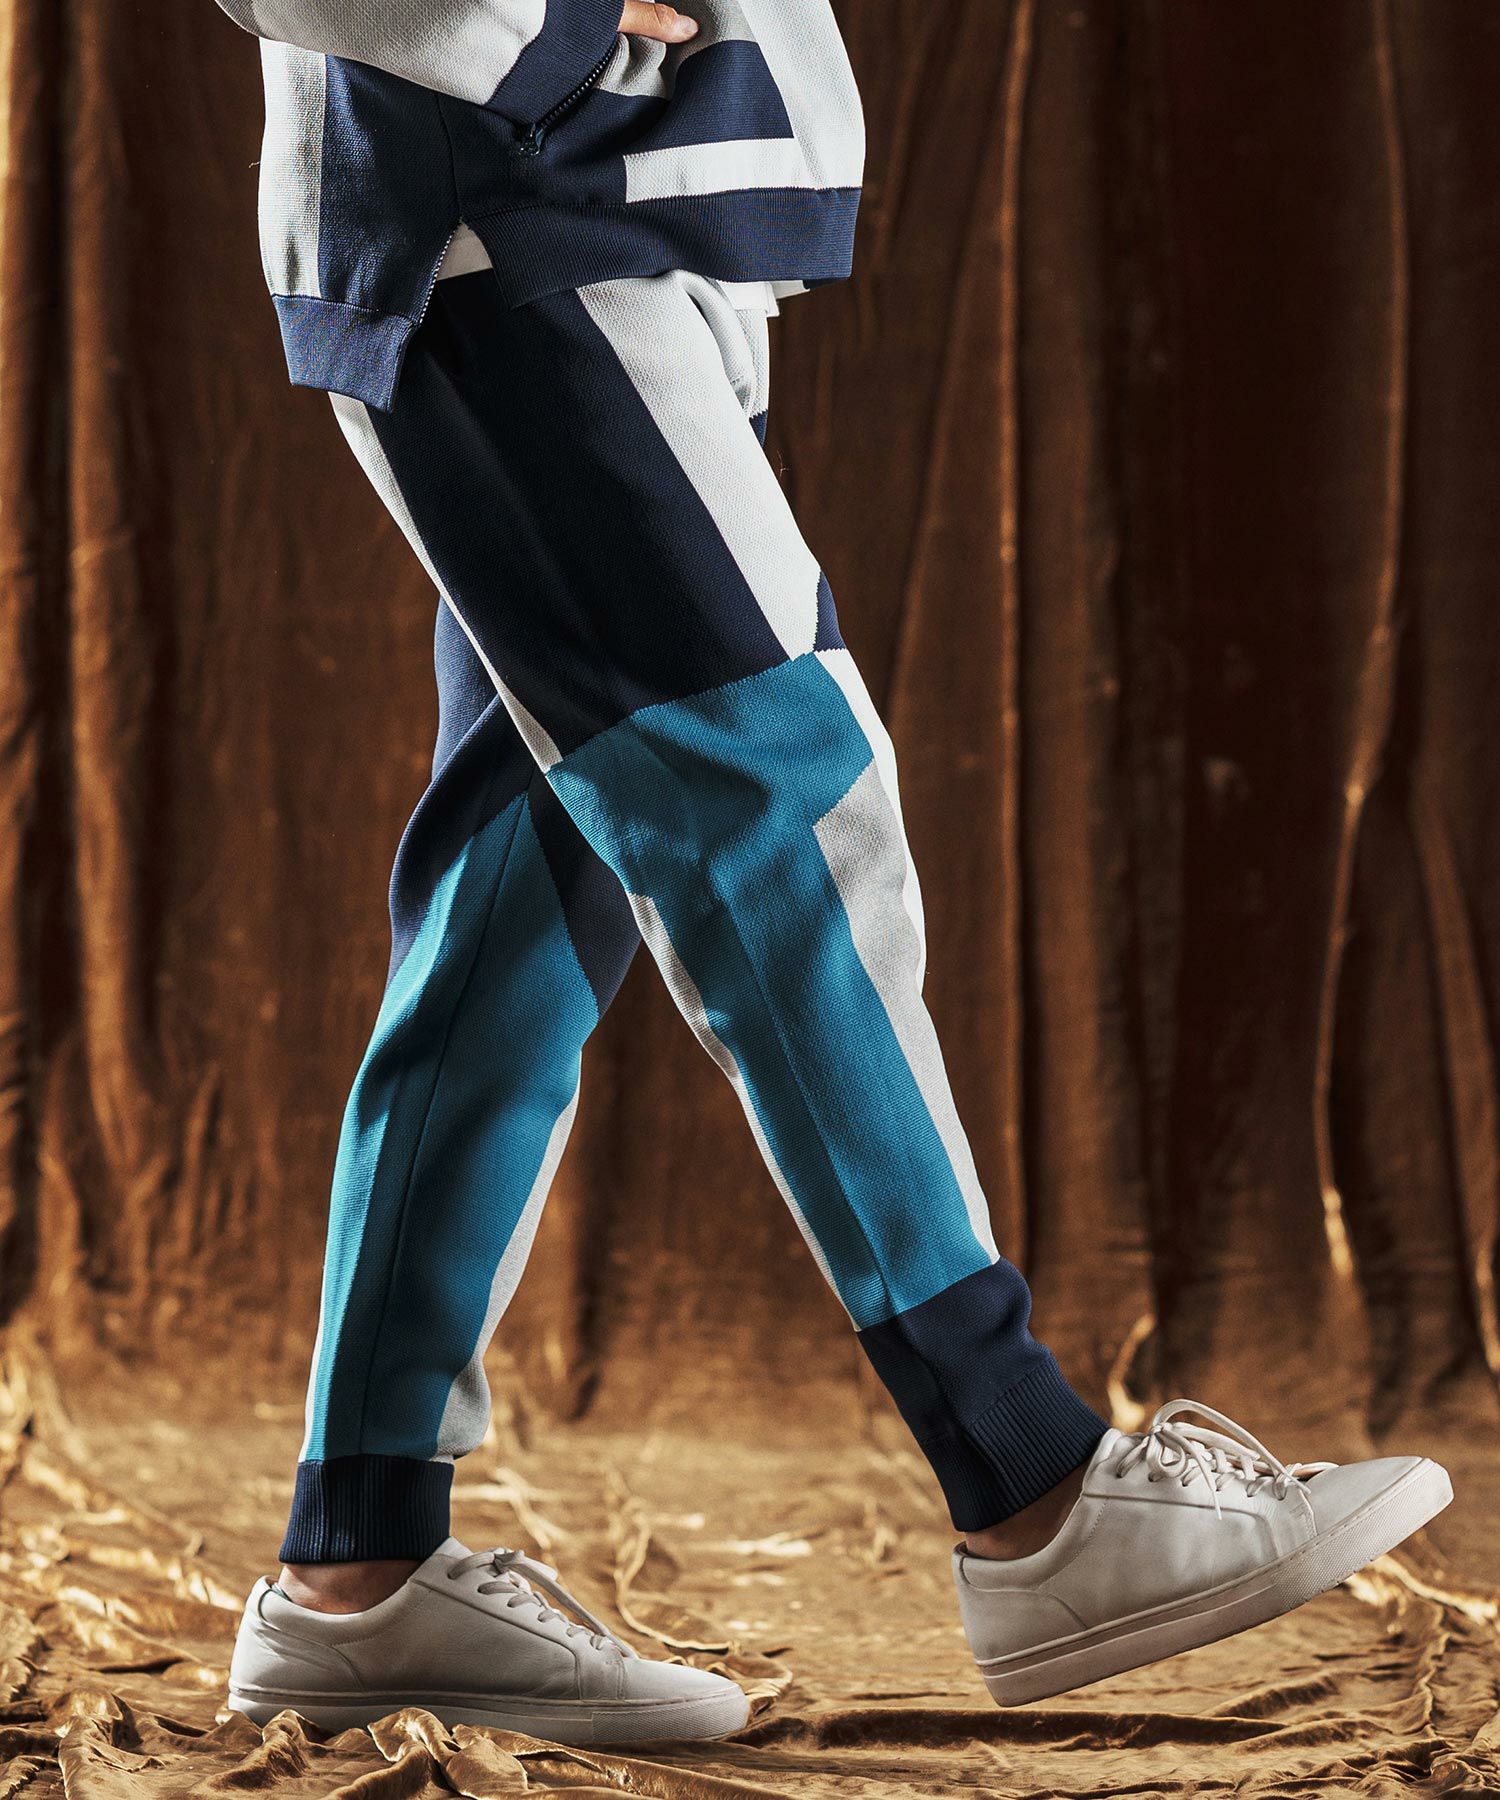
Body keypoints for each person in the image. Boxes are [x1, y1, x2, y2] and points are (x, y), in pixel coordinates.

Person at [213, 0, 1451, 1743]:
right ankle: (1028, 1484)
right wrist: (554, 26)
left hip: (581, 215)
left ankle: (356, 1566)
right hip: (511, 210)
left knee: (521, 911)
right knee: (782, 802)